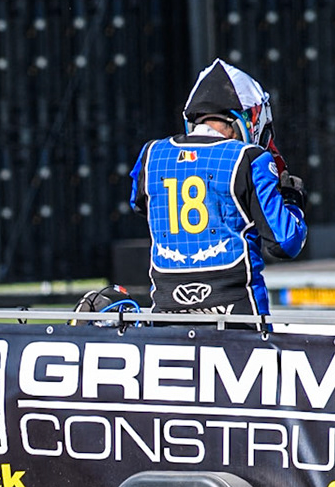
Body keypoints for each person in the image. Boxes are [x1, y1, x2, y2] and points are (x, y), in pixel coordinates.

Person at [128, 60, 307, 317]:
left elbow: (139, 204)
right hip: (238, 316)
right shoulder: (250, 159)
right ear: (251, 118)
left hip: (167, 316)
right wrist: (292, 201)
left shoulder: (151, 154)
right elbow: (285, 242)